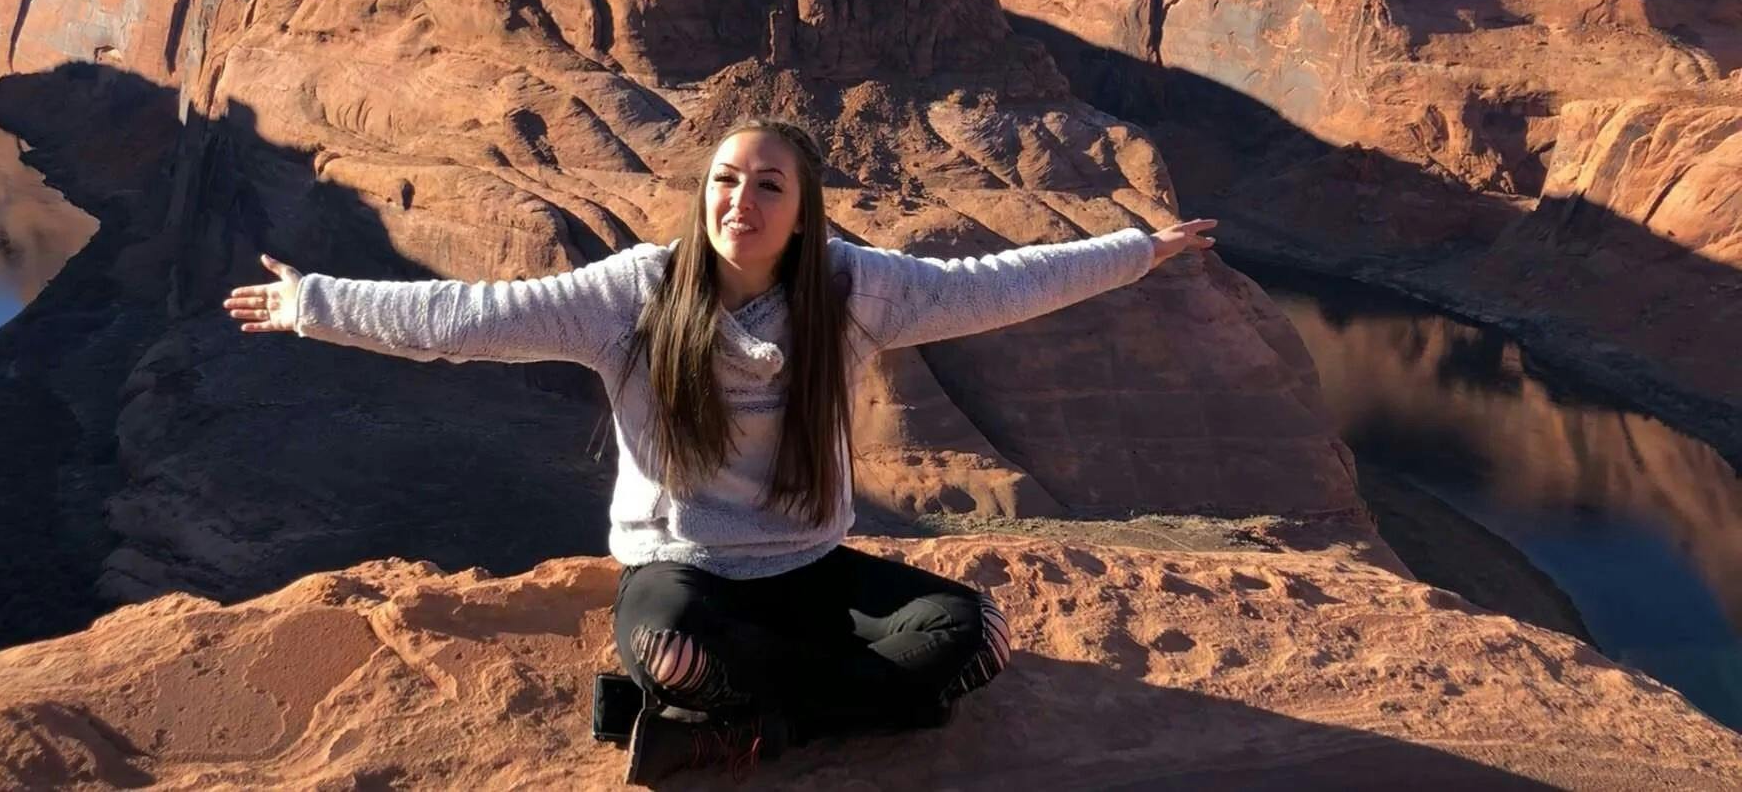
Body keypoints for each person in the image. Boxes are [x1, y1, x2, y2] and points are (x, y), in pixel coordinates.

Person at [224, 117, 1215, 783]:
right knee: (672, 646)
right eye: (725, 181)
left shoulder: (849, 288)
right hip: (685, 572)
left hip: (810, 569)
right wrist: (316, 304)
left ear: (803, 206)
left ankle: (753, 723)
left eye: (767, 184)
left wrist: (1138, 252)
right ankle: (806, 699)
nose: (741, 199)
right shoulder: (635, 293)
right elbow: (468, 317)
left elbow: (997, 285)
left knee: (978, 636)